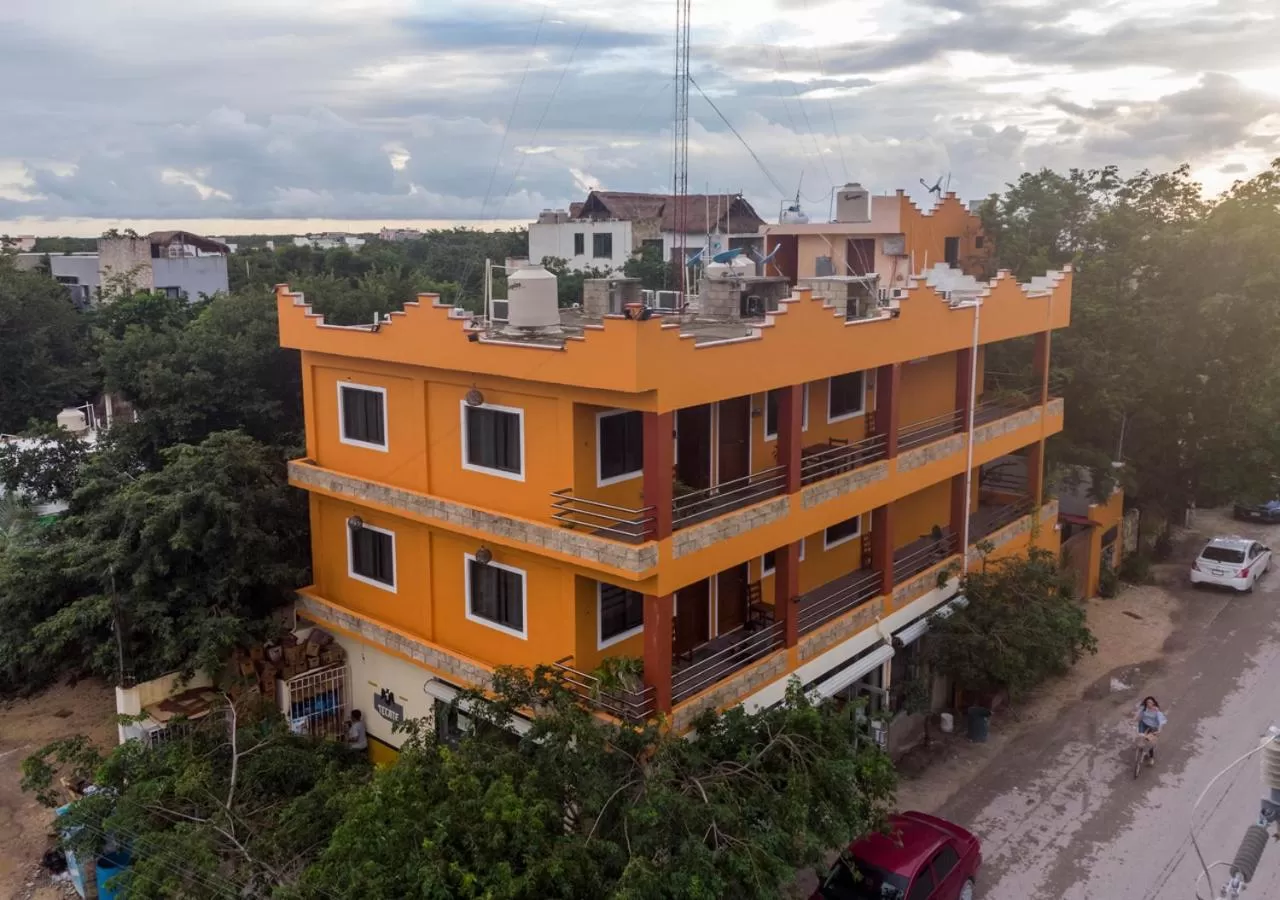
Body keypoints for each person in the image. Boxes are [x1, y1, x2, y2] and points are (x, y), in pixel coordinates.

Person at [1136, 696, 1166, 764]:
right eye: (1147, 702)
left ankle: (1151, 757)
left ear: (1153, 703)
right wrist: (1133, 720)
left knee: (1150, 742)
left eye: (1150, 702)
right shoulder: (1144, 708)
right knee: (1141, 735)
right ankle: (1141, 743)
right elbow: (1139, 714)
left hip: (1153, 726)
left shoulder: (1156, 711)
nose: (1148, 704)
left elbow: (1161, 721)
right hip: (1144, 724)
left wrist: (1159, 730)